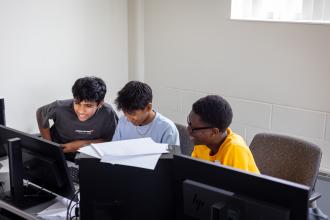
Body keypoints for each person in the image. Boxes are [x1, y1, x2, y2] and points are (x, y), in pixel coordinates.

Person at [36, 76, 118, 161]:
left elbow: (111, 142)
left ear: (100, 104)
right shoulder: (59, 107)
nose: (81, 111)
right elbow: (40, 113)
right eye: (77, 103)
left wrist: (81, 145)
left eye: (88, 106)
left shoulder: (108, 113)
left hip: (89, 154)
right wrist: (49, 145)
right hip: (59, 153)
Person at [188, 95, 259, 174]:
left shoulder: (235, 150)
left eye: (193, 129)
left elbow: (237, 185)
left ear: (214, 132)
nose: (188, 129)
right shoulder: (201, 144)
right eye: (189, 122)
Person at [112, 81, 180, 146]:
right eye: (125, 113)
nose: (128, 119)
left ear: (148, 108)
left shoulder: (168, 129)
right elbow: (114, 150)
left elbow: (171, 158)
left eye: (132, 114)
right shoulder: (123, 121)